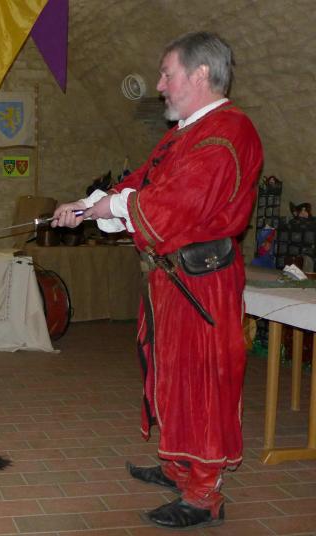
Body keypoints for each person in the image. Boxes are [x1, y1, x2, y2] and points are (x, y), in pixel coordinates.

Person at [52, 32, 262, 530]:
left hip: (202, 283)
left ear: (200, 74)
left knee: (201, 384)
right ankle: (179, 467)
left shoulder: (229, 132)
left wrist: (110, 206)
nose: (160, 84)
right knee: (170, 376)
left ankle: (204, 494)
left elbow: (176, 204)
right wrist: (86, 206)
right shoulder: (185, 132)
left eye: (167, 74)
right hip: (173, 282)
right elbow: (143, 181)